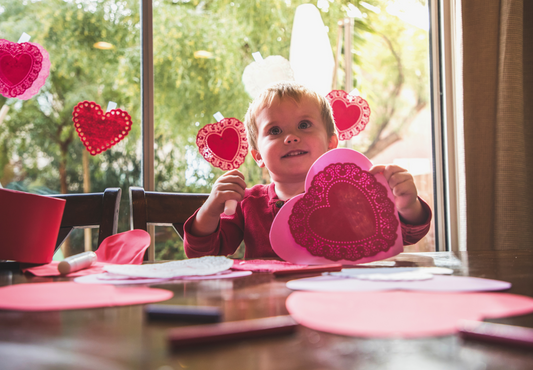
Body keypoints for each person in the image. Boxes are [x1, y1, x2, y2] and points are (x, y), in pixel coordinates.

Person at [184, 82, 432, 259]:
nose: (291, 137)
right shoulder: (247, 204)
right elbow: (204, 252)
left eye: (304, 125)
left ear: (331, 144)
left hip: (340, 301)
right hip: (268, 308)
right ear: (258, 156)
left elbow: (406, 235)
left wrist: (407, 205)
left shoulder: (352, 193)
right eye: (275, 131)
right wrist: (210, 209)